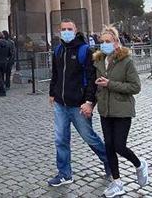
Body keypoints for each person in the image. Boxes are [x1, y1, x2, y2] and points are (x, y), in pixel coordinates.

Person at [46, 19, 110, 187]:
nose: (66, 32)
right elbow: (56, 74)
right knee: (60, 140)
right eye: (63, 29)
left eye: (69, 29)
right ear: (59, 32)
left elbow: (91, 79)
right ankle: (64, 173)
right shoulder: (58, 50)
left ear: (75, 31)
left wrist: (89, 101)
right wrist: (52, 93)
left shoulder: (84, 51)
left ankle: (109, 161)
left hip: (78, 104)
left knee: (89, 137)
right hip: (61, 103)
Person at [89, 26, 148, 197]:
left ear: (116, 42)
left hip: (122, 109)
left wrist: (110, 84)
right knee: (109, 147)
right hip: (105, 109)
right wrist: (91, 101)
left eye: (108, 41)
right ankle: (117, 183)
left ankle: (139, 164)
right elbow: (95, 85)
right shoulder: (99, 61)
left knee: (119, 146)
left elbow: (135, 86)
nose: (105, 44)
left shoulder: (126, 61)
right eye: (102, 42)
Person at [0, 32, 13, 96]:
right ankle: (3, 88)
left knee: (0, 77)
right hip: (5, 62)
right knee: (2, 76)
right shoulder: (7, 43)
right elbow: (10, 54)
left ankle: (2, 91)